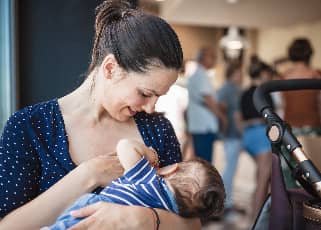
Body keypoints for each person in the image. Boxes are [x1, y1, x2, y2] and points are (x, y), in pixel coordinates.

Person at [0, 1, 202, 229]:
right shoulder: (29, 126)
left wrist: (144, 220)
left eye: (159, 97)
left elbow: (193, 224)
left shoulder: (158, 130)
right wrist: (90, 174)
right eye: (145, 93)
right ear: (110, 68)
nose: (151, 108)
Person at [44, 138, 225, 229]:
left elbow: (125, 145)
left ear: (171, 169)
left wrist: (149, 154)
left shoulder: (149, 180)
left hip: (89, 215)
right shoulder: (172, 212)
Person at [238, 56, 273, 220]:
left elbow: (239, 118)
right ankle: (257, 219)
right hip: (261, 136)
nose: (271, 77)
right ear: (263, 73)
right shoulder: (264, 93)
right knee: (263, 180)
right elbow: (270, 118)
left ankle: (260, 215)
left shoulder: (245, 93)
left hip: (248, 136)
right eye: (269, 74)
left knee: (262, 176)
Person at [281, 38, 321, 170]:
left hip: (290, 131)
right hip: (312, 129)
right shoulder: (316, 75)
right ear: (309, 53)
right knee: (314, 174)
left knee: (290, 173)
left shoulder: (283, 77)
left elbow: (280, 106)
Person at [186, 47, 227, 163]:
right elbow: (208, 101)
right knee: (204, 163)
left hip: (200, 126)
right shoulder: (200, 75)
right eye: (212, 57)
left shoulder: (199, 75)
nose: (214, 59)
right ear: (203, 57)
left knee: (202, 161)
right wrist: (222, 117)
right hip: (203, 127)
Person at [217, 63, 243, 218]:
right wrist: (226, 126)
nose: (241, 77)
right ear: (232, 73)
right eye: (239, 73)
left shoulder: (233, 89)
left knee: (231, 169)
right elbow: (222, 108)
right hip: (232, 134)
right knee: (230, 170)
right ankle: (226, 204)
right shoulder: (228, 89)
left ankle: (228, 203)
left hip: (234, 134)